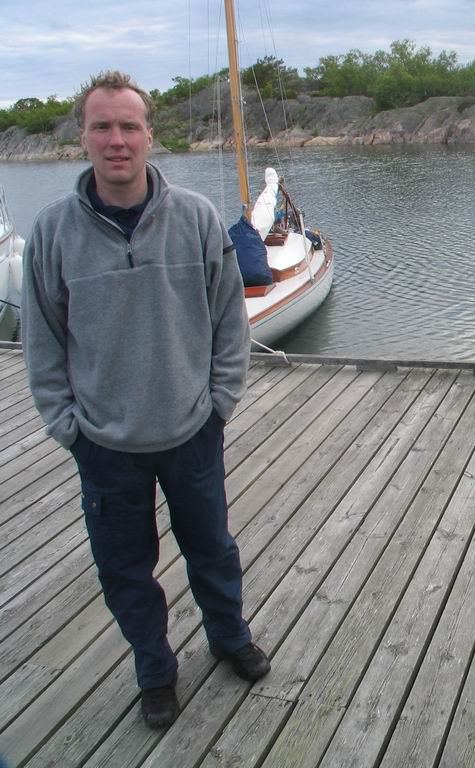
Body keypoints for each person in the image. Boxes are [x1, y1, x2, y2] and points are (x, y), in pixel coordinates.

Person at [22, 71, 270, 729]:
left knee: (212, 549)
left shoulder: (195, 218)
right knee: (125, 570)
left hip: (192, 430)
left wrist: (220, 402)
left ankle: (229, 636)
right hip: (103, 443)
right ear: (82, 137)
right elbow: (42, 341)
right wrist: (66, 425)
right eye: (102, 126)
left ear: (149, 136)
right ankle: (155, 670)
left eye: (128, 126)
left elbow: (229, 319)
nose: (116, 140)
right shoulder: (51, 233)